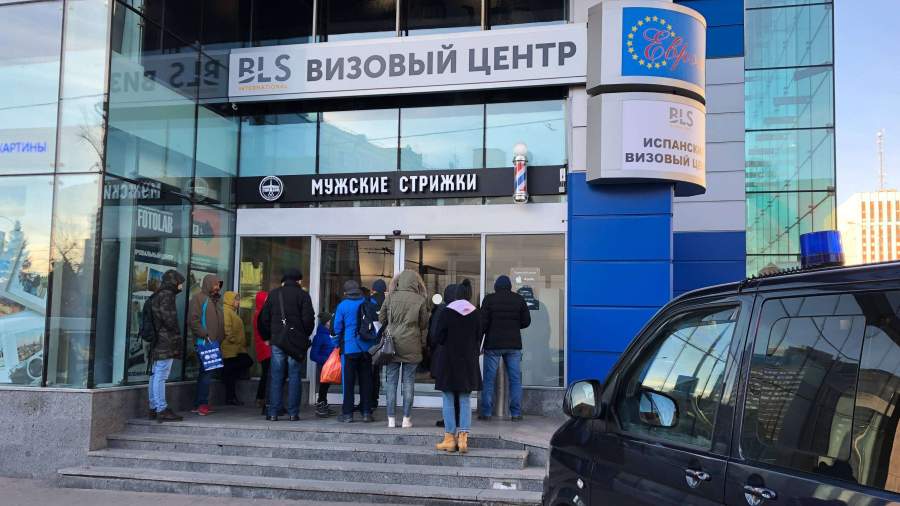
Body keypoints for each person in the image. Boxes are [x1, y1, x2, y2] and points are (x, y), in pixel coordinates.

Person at [258, 269, 315, 421]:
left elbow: (263, 318)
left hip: (278, 340)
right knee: (294, 375)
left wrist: (267, 337)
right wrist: (303, 335)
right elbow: (309, 320)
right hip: (295, 343)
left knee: (276, 376)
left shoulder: (274, 294)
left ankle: (273, 412)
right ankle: (293, 413)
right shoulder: (303, 295)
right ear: (298, 281)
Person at [433, 280, 482, 454]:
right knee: (465, 398)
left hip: (449, 361)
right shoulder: (476, 313)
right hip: (468, 361)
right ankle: (463, 439)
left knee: (448, 397)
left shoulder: (446, 312)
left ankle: (449, 439)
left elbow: (438, 337)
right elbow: (479, 336)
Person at [380, 270, 429, 428]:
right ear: (415, 282)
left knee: (391, 383)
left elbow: (381, 318)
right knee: (409, 382)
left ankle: (391, 419)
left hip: (392, 344)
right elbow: (424, 324)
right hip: (412, 344)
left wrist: (392, 324)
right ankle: (406, 419)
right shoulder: (420, 299)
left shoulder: (390, 297)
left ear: (399, 281)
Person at [479, 275, 531, 422]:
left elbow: (482, 323)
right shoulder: (519, 299)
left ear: (496, 286)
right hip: (513, 345)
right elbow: (526, 321)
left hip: (493, 345)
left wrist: (479, 343)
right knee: (515, 380)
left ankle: (486, 412)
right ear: (510, 286)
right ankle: (516, 413)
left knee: (489, 379)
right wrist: (514, 325)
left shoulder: (489, 299)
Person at [333, 280, 376, 423]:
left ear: (345, 292)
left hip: (349, 348)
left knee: (348, 382)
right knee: (366, 381)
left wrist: (336, 344)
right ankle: (366, 413)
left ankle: (347, 414)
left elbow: (337, 328)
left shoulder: (342, 305)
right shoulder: (369, 302)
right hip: (366, 348)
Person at [148, 270, 186, 423]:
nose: (181, 286)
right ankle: (161, 409)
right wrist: (176, 333)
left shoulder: (158, 294)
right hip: (165, 340)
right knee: (161, 374)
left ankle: (154, 407)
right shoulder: (167, 295)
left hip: (158, 340)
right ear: (174, 281)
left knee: (155, 373)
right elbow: (169, 319)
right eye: (180, 282)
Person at [188, 274, 224, 416]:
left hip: (213, 343)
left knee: (205, 374)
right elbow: (193, 320)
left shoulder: (215, 301)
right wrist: (205, 335)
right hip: (204, 342)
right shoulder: (199, 298)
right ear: (209, 284)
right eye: (215, 284)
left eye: (218, 285)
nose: (217, 287)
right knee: (206, 375)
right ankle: (201, 404)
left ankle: (199, 403)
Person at [221, 291, 253, 406]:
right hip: (230, 348)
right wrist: (234, 340)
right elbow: (227, 329)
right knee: (232, 372)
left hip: (236, 348)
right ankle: (230, 397)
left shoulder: (232, 311)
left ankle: (231, 397)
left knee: (232, 373)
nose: (238, 302)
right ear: (230, 300)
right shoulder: (226, 311)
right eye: (236, 299)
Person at [310, 312, 335, 418]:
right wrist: (327, 360)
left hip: (329, 365)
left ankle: (323, 403)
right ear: (327, 322)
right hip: (324, 366)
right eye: (330, 320)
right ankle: (320, 405)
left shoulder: (328, 334)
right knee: (323, 386)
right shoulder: (320, 336)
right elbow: (313, 355)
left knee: (325, 385)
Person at [252, 291, 271, 412]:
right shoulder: (261, 315)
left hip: (263, 348)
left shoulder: (258, 313)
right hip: (266, 348)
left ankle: (260, 398)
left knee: (265, 374)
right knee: (267, 375)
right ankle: (262, 399)